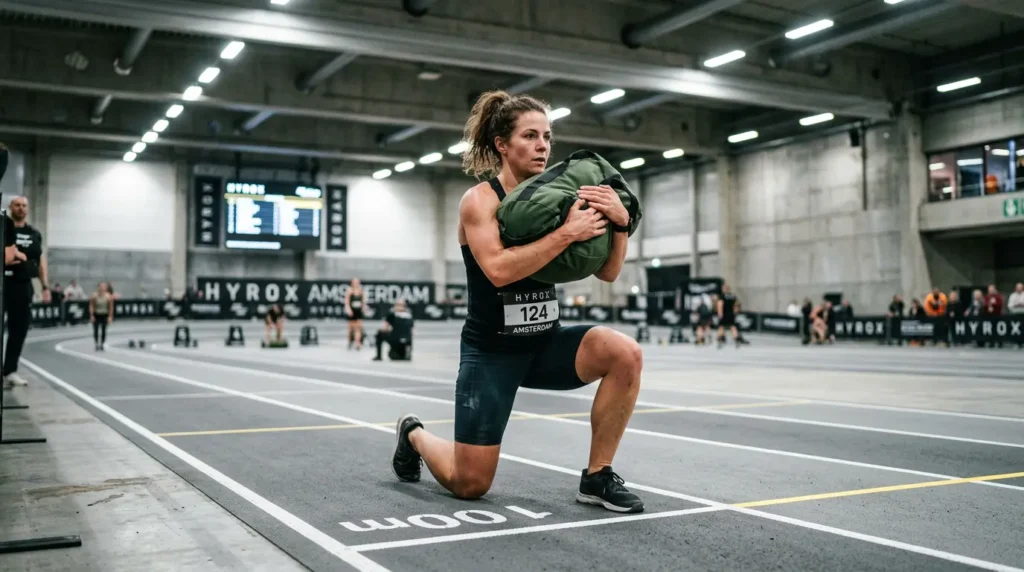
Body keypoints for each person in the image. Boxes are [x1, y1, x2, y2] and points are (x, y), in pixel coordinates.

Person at [390, 90, 645, 513]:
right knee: (469, 484)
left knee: (625, 353)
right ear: (502, 145)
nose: (543, 145)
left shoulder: (562, 196)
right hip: (491, 353)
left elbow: (609, 273)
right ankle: (414, 433)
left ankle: (598, 477)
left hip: (545, 344)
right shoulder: (480, 202)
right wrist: (567, 233)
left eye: (547, 136)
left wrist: (620, 224)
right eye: (530, 136)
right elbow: (499, 270)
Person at [3, 196, 49, 388]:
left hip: (22, 286)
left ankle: (10, 371)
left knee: (19, 329)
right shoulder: (4, 229)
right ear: (10, 207)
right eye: (17, 205)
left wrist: (45, 286)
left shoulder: (34, 234)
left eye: (24, 206)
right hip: (2, 283)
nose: (21, 208)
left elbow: (40, 262)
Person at [89, 281, 114, 351]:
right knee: (96, 330)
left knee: (103, 330)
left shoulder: (108, 296)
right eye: (102, 286)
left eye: (104, 286)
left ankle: (102, 343)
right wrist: (92, 315)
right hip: (96, 314)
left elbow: (111, 307)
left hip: (104, 315)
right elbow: (91, 305)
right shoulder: (94, 295)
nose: (103, 288)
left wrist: (110, 316)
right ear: (99, 287)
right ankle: (96, 343)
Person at [716, 283, 741, 349]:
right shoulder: (732, 296)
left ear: (724, 289)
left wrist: (720, 314)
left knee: (721, 327)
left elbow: (720, 305)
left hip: (724, 314)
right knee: (733, 327)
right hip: (731, 314)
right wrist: (735, 312)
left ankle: (720, 340)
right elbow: (737, 305)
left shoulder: (722, 296)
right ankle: (736, 339)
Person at [345, 278, 365, 350]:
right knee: (351, 329)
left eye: (357, 282)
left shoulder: (361, 291)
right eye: (355, 282)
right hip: (352, 311)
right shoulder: (350, 291)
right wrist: (348, 310)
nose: (356, 283)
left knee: (358, 328)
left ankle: (358, 343)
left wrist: (363, 308)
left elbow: (363, 301)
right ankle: (350, 341)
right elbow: (347, 302)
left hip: (358, 311)